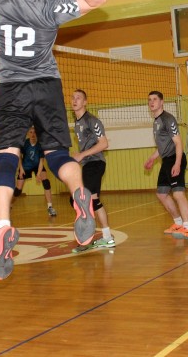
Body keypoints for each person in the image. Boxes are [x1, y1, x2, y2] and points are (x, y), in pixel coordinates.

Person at [0, 0, 108, 280]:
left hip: (11, 90)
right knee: (57, 153)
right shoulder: (50, 7)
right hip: (46, 87)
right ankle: (79, 195)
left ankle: (2, 226)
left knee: (6, 157)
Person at [144, 91, 188, 241]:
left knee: (178, 194)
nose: (151, 102)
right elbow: (163, 146)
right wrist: (152, 158)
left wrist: (177, 163)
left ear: (162, 102)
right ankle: (178, 223)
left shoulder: (168, 118)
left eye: (155, 99)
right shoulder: (156, 121)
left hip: (174, 158)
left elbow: (178, 143)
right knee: (161, 194)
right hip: (166, 160)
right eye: (149, 100)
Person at [71, 89, 114, 253]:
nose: (75, 100)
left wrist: (82, 155)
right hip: (88, 165)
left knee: (83, 201)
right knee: (92, 202)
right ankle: (107, 237)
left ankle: (86, 239)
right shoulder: (77, 123)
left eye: (78, 98)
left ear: (85, 102)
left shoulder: (92, 120)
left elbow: (104, 144)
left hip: (95, 164)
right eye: (73, 97)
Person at [13, 127, 57, 217]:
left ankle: (50, 207)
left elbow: (41, 160)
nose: (33, 134)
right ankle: (9, 204)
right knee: (18, 190)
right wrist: (21, 169)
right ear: (28, 134)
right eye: (31, 132)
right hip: (26, 166)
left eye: (35, 132)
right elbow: (19, 156)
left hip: (37, 165)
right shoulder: (25, 143)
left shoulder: (40, 144)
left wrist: (38, 174)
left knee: (46, 183)